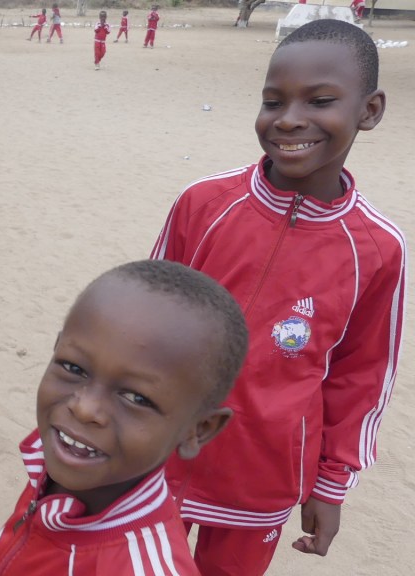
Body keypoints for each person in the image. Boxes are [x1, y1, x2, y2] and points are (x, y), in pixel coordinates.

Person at [150, 19, 405, 575]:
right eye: (272, 101)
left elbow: (363, 375)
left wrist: (332, 484)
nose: (288, 119)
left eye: (320, 101)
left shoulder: (378, 248)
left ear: (370, 110)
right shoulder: (204, 203)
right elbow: (142, 323)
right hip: (161, 457)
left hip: (262, 479)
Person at [0, 259, 249, 575]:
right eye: (73, 367)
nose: (84, 408)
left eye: (136, 398)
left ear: (198, 430)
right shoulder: (61, 462)